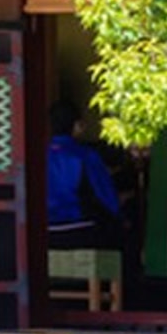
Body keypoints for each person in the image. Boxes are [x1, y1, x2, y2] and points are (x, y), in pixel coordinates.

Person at [46, 104, 124, 244]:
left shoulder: (37, 155)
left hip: (46, 228)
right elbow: (106, 196)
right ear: (77, 125)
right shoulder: (85, 155)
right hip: (80, 226)